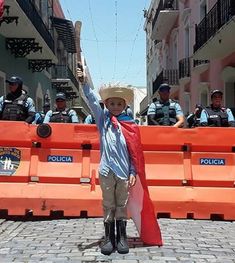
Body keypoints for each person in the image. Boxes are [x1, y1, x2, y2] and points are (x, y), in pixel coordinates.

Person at [77, 69, 162, 255]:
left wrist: (133, 171)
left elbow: (134, 152)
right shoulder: (103, 120)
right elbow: (92, 102)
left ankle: (122, 237)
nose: (115, 106)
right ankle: (109, 238)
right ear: (106, 104)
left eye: (119, 103)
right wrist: (84, 83)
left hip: (124, 172)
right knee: (108, 204)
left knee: (121, 204)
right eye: (112, 103)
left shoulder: (130, 126)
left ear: (124, 105)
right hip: (107, 171)